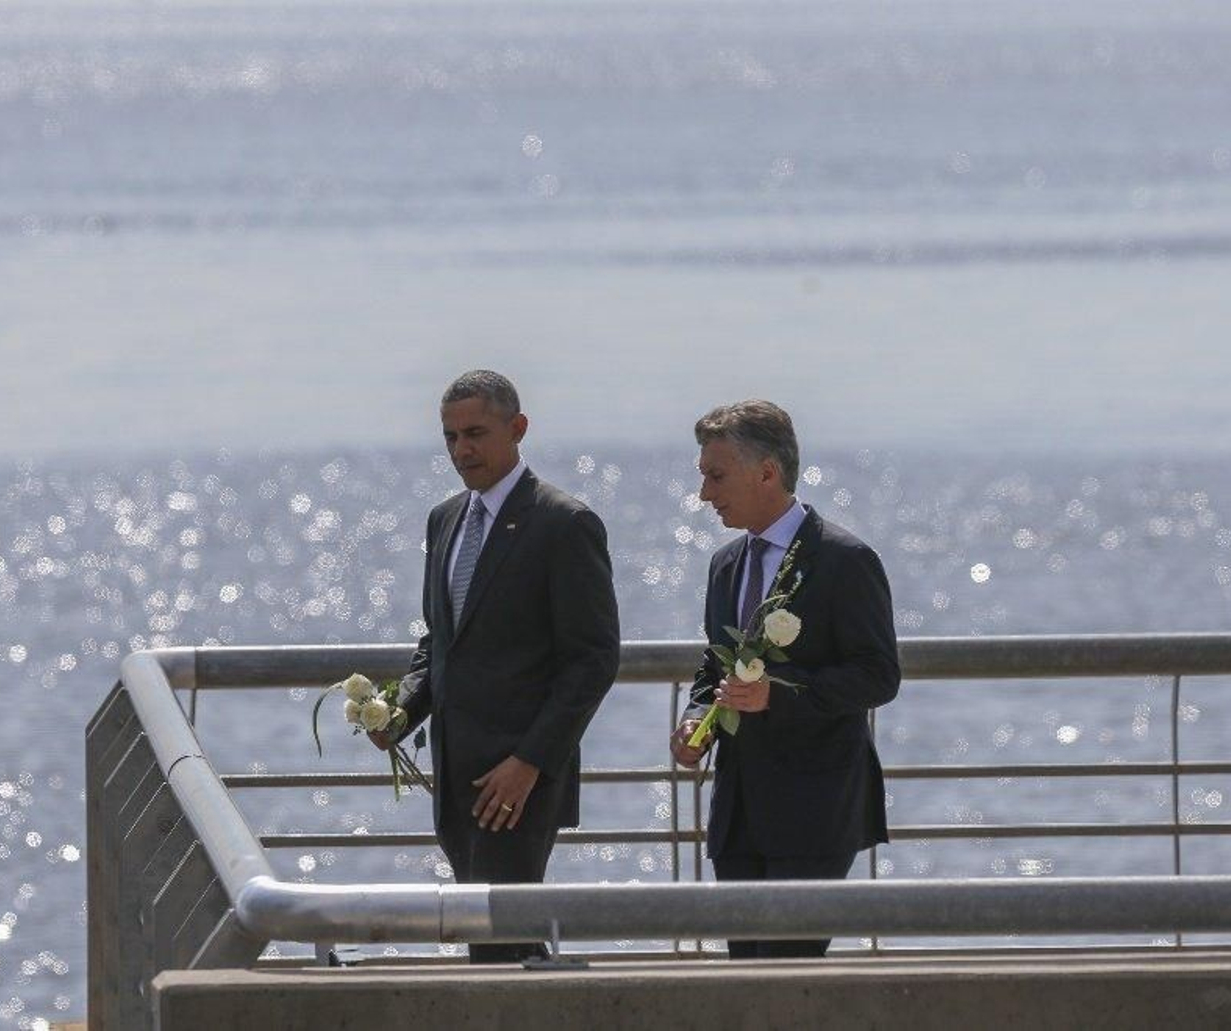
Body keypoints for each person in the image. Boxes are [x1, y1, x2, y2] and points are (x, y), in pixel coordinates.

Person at [378, 369, 621, 964]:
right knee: (494, 937)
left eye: (477, 434)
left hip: (519, 780)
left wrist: (531, 761)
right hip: (455, 772)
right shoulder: (444, 520)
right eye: (451, 437)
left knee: (499, 937)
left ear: (518, 429)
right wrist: (399, 711)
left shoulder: (563, 523)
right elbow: (440, 642)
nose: (463, 450)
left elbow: (593, 660)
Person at [670, 399, 899, 959]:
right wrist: (697, 715)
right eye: (703, 477)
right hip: (738, 807)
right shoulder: (725, 564)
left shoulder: (844, 559)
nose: (704, 494)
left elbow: (878, 675)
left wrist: (779, 693)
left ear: (767, 472)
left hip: (814, 807)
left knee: (787, 978)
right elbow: (715, 663)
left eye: (716, 476)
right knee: (746, 975)